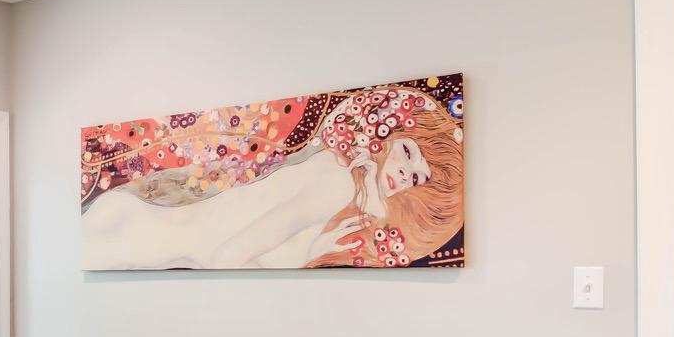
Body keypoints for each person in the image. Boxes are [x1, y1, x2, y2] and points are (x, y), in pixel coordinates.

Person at [78, 84, 463, 270]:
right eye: (408, 153)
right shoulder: (338, 183)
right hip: (137, 240)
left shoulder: (337, 175)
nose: (406, 175)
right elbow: (226, 255)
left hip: (133, 226)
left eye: (418, 178)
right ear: (387, 131)